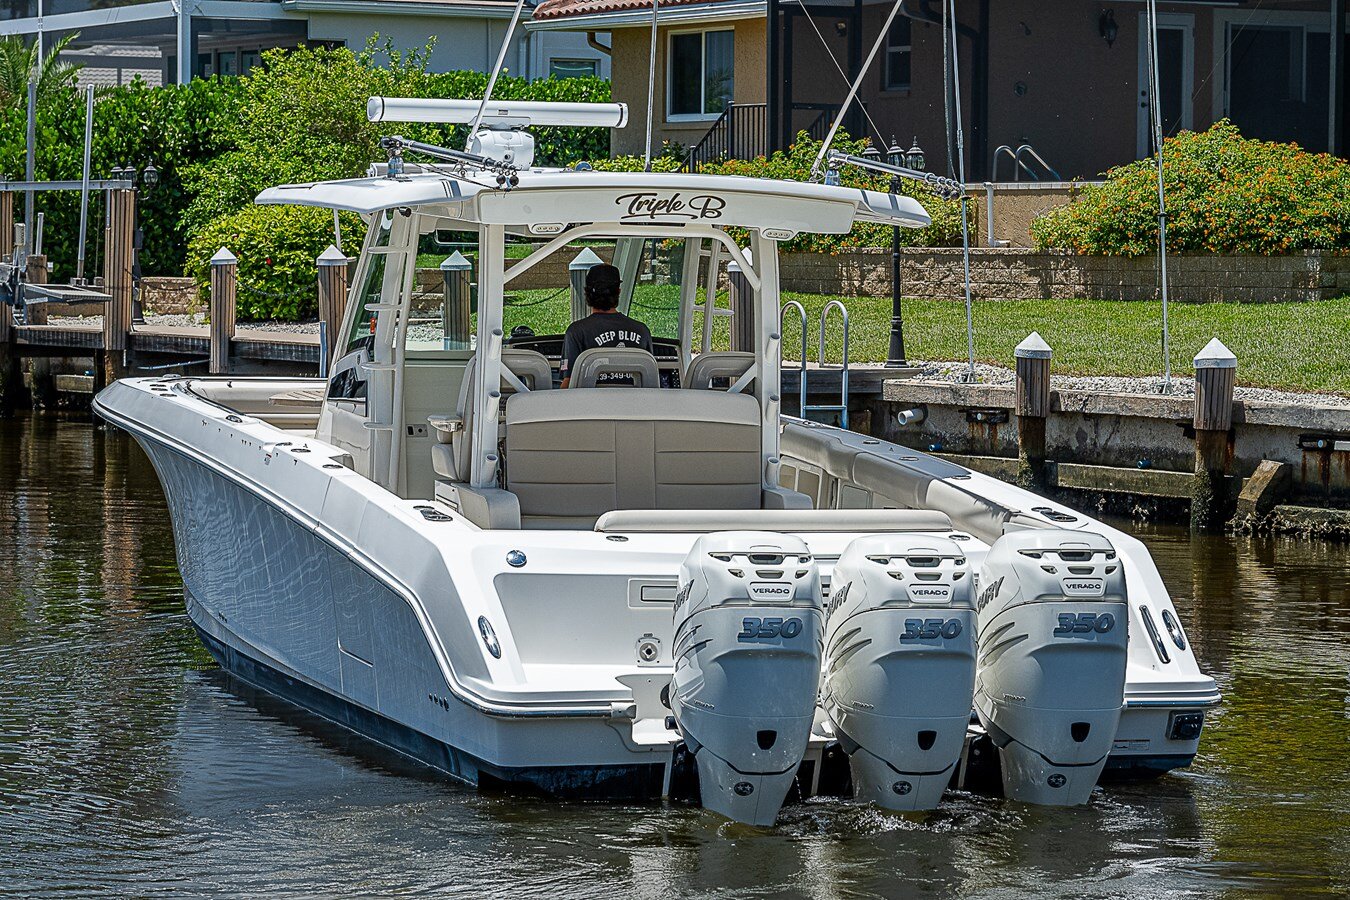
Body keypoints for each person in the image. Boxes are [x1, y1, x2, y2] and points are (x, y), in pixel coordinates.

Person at [559, 263, 653, 388]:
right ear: (618, 292)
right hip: (634, 405)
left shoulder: (576, 332)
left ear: (586, 292)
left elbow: (569, 384)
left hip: (591, 406)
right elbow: (651, 379)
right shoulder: (642, 331)